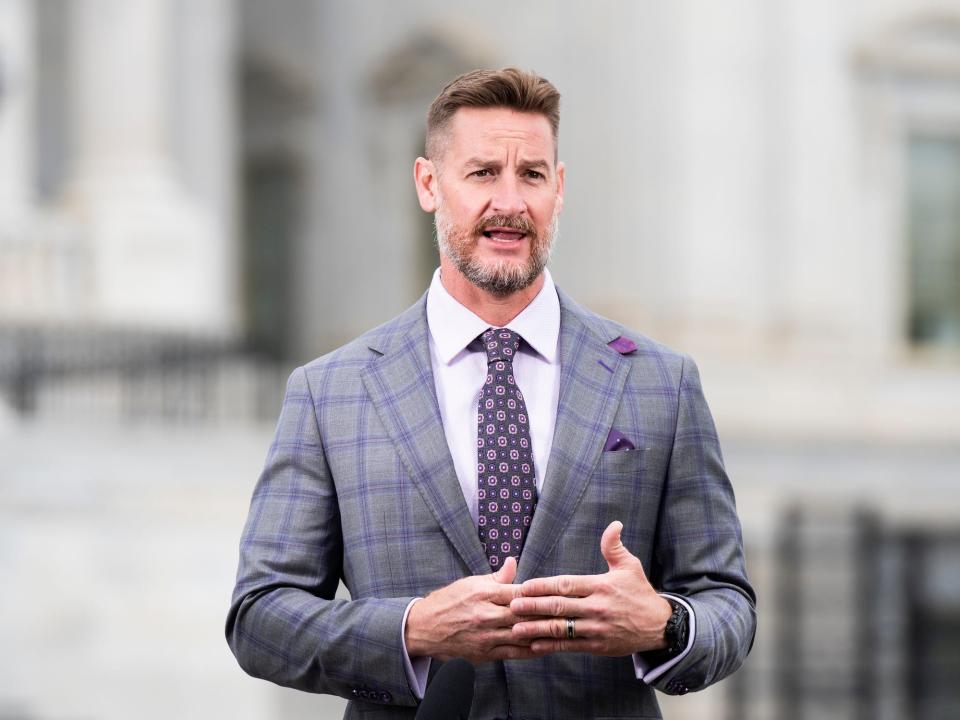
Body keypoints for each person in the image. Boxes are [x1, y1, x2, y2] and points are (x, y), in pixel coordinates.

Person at [226, 67, 756, 719]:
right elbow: (259, 619)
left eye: (531, 175)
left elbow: (728, 606)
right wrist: (413, 630)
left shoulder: (661, 383)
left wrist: (664, 625)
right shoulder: (329, 393)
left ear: (557, 190)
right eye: (482, 173)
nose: (510, 203)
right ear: (428, 184)